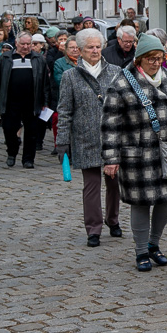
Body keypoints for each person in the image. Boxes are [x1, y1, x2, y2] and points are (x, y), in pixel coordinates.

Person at [100, 34, 167, 272]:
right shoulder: (122, 83)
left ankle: (154, 244)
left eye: (159, 58)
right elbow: (110, 124)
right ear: (139, 60)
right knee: (140, 202)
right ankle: (141, 251)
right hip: (137, 152)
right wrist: (111, 158)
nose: (156, 63)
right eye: (151, 59)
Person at [56, 29, 122, 247]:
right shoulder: (70, 76)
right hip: (85, 138)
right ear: (80, 51)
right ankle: (93, 228)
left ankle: (113, 220)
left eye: (97, 46)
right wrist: (62, 141)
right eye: (90, 48)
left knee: (114, 183)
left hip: (112, 137)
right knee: (91, 185)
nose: (95, 51)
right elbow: (64, 111)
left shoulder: (115, 71)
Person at [0, 32, 50, 168]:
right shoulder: (5, 58)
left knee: (32, 132)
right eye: (23, 44)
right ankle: (12, 152)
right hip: (10, 101)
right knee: (8, 129)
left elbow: (45, 83)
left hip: (32, 101)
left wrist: (45, 102)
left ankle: (28, 159)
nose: (26, 47)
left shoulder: (38, 59)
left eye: (28, 44)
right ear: (16, 44)